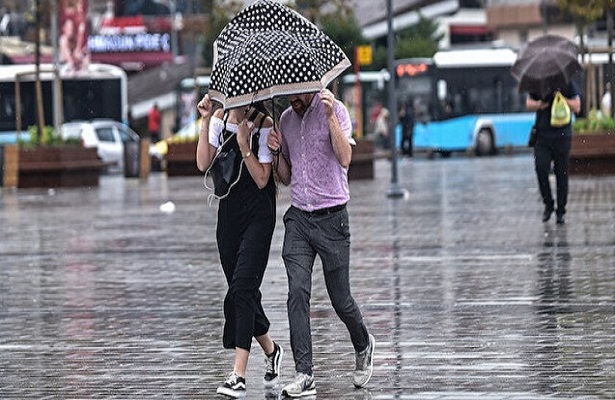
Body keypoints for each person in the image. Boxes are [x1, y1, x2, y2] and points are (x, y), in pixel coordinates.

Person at [267, 88, 375, 397]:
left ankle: (363, 343)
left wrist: (330, 119)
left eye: (299, 93)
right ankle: (304, 373)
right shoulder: (286, 120)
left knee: (340, 299)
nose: (294, 99)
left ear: (313, 84)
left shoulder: (335, 109)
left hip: (333, 218)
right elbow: (285, 177)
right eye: (290, 94)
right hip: (299, 218)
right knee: (297, 292)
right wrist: (276, 153)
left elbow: (345, 158)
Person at [196, 94, 283, 398]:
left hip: (258, 215)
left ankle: (239, 374)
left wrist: (246, 142)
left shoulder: (263, 124)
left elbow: (262, 179)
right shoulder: (219, 119)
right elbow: (203, 162)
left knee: (243, 289)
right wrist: (206, 119)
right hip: (228, 216)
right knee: (239, 289)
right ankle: (271, 350)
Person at [526, 80, 581, 225]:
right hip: (542, 137)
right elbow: (528, 103)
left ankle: (561, 211)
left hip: (562, 136)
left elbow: (577, 106)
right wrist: (540, 105)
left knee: (562, 173)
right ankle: (548, 204)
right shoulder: (538, 83)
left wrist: (563, 98)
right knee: (541, 168)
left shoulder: (567, 83)